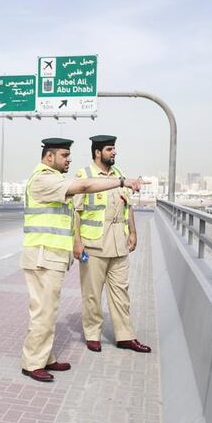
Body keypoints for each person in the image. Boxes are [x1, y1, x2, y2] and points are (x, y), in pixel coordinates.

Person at [21, 138, 144, 382]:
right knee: (43, 312)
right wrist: (121, 182)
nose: (69, 160)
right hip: (43, 256)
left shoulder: (53, 178)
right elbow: (84, 188)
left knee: (49, 311)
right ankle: (32, 363)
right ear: (49, 157)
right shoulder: (42, 179)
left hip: (51, 256)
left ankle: (45, 358)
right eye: (65, 155)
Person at [72, 135, 151, 354]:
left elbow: (129, 207)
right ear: (98, 152)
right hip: (93, 245)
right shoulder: (84, 175)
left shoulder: (119, 175)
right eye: (110, 149)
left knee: (121, 293)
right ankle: (92, 334)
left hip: (119, 244)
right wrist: (77, 242)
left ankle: (125, 336)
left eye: (114, 149)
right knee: (92, 293)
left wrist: (133, 232)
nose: (114, 152)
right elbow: (76, 212)